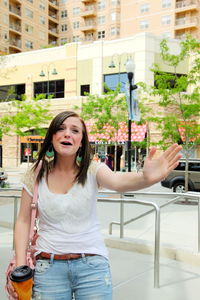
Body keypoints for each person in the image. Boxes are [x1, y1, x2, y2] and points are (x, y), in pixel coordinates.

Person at [9, 111, 182, 300]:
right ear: (52, 136)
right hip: (48, 268)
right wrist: (20, 267)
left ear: (81, 141)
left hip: (92, 266)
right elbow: (23, 221)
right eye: (61, 129)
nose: (67, 134)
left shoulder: (92, 169)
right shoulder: (36, 173)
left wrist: (145, 178)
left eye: (75, 130)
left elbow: (118, 182)